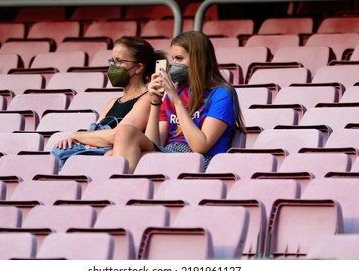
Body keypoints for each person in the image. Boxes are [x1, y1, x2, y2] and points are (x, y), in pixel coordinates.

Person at [111, 31, 246, 173]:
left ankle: (127, 188)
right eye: (173, 59)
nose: (174, 64)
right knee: (123, 134)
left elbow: (200, 147)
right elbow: (156, 144)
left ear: (198, 59)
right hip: (168, 154)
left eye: (179, 58)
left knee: (125, 155)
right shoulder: (175, 92)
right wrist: (155, 102)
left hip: (200, 160)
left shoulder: (221, 93)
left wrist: (177, 101)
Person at [51, 36, 168, 170]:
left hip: (107, 156)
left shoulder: (147, 98)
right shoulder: (112, 102)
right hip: (90, 152)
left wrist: (77, 135)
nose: (113, 66)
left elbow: (115, 136)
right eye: (112, 60)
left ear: (138, 68)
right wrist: (74, 140)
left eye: (119, 61)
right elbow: (94, 134)